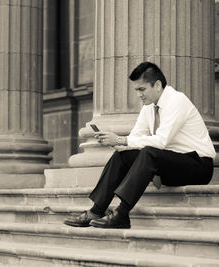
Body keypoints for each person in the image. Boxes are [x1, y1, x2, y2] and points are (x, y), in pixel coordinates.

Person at [64, 61, 216, 229]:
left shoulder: (177, 101)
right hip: (172, 163)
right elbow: (135, 137)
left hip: (198, 166)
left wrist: (122, 140)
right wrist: (114, 142)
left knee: (150, 152)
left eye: (141, 89)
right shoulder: (149, 107)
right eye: (136, 90)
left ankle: (122, 214)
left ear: (157, 85)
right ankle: (96, 210)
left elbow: (161, 141)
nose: (138, 95)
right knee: (123, 156)